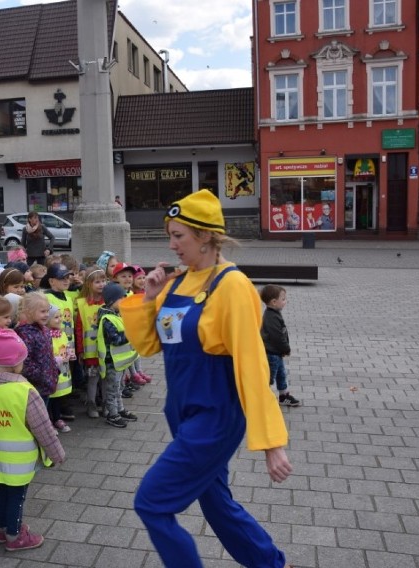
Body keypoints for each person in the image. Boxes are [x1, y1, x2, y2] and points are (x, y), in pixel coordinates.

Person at [118, 189, 294, 568]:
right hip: (181, 412)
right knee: (216, 502)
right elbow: (150, 347)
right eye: (170, 235)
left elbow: (252, 366)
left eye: (178, 235)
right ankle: (270, 564)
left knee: (151, 502)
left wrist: (271, 443)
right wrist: (149, 299)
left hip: (215, 417)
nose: (172, 244)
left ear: (205, 236)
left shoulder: (233, 286)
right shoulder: (179, 282)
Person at [0, 325, 65, 551]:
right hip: (20, 457)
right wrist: (57, 453)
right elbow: (42, 427)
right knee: (18, 496)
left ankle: (2, 529)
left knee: (3, 492)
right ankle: (14, 536)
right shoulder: (25, 391)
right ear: (17, 362)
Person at [97, 283, 139, 428]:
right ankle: (112, 414)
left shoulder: (116, 314)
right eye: (121, 299)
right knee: (112, 389)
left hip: (120, 361)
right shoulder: (107, 319)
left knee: (119, 386)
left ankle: (120, 409)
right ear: (111, 301)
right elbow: (116, 339)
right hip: (111, 361)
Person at [74, 266, 107, 418]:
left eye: (104, 281)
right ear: (88, 284)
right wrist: (80, 350)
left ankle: (107, 403)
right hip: (91, 352)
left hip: (106, 351)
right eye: (97, 282)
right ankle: (91, 404)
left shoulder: (109, 302)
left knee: (106, 379)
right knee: (93, 379)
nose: (101, 284)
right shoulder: (81, 304)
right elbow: (79, 329)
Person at [260, 285, 300, 407]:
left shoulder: (274, 313)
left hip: (276, 352)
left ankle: (284, 396)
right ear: (274, 302)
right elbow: (277, 337)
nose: (285, 301)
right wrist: (286, 348)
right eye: (283, 299)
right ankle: (262, 398)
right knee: (269, 377)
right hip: (271, 353)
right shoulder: (271, 317)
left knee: (281, 374)